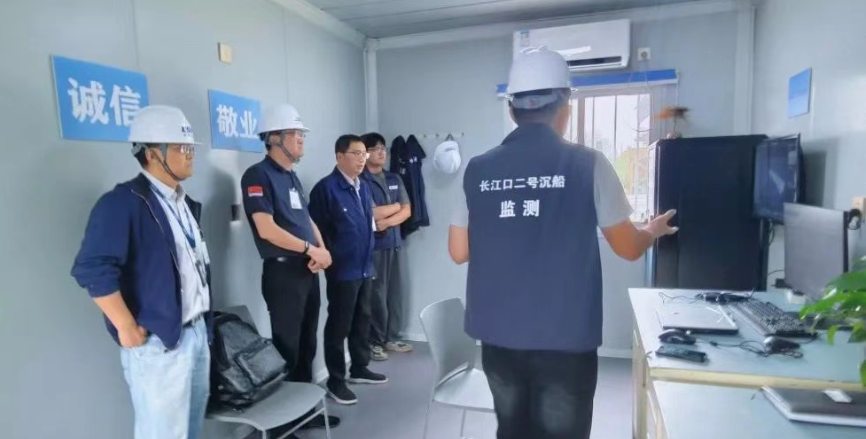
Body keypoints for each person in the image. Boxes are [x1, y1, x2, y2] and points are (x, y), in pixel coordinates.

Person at [448, 47, 678, 439]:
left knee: (512, 430)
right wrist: (651, 230)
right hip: (565, 339)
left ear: (512, 110)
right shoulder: (589, 164)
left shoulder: (477, 169)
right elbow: (627, 247)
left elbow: (459, 252)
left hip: (498, 336)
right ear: (565, 108)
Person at [71, 105, 212, 439]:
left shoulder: (182, 203)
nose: (190, 154)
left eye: (190, 147)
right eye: (181, 147)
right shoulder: (123, 203)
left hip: (195, 335)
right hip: (159, 344)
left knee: (190, 431)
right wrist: (125, 326)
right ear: (151, 153)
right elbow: (92, 267)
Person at [240, 103, 338, 432]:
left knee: (307, 344)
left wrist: (321, 250)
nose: (301, 140)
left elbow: (306, 219)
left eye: (301, 134)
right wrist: (311, 249)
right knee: (287, 348)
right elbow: (266, 229)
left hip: (307, 270)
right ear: (274, 138)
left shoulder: (291, 176)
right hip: (283, 273)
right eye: (295, 134)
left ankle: (303, 413)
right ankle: (280, 425)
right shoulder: (257, 175)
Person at [309, 134, 388, 405]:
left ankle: (359, 367)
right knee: (339, 324)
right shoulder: (325, 189)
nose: (362, 159)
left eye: (364, 153)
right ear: (339, 156)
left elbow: (367, 223)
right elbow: (317, 231)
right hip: (342, 270)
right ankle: (335, 380)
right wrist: (331, 258)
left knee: (362, 319)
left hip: (365, 266)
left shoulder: (362, 186)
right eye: (356, 153)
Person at [361, 132, 413, 361]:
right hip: (375, 246)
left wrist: (388, 220)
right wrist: (395, 208)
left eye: (383, 148)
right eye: (375, 148)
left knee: (395, 292)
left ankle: (392, 337)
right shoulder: (361, 180)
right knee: (377, 294)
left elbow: (407, 210)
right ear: (365, 153)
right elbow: (370, 213)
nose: (381, 152)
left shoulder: (394, 178)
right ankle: (375, 341)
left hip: (395, 243)